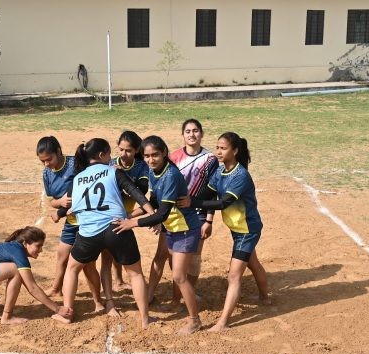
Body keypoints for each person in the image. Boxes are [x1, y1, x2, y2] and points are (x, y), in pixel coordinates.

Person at [52, 138, 156, 329]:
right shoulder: (113, 171)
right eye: (109, 153)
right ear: (102, 155)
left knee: (73, 268)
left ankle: (67, 312)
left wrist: (57, 214)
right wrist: (152, 213)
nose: (111, 157)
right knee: (135, 274)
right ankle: (145, 319)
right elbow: (135, 192)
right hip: (116, 227)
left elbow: (67, 205)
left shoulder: (77, 178)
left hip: (88, 232)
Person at [178, 132, 270, 332]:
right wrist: (186, 201)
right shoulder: (220, 172)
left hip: (247, 230)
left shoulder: (241, 176)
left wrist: (192, 202)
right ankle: (265, 298)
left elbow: (222, 202)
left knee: (234, 276)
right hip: (237, 228)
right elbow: (206, 193)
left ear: (235, 151)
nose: (218, 152)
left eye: (223, 148)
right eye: (217, 147)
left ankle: (223, 323)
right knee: (252, 263)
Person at [114, 135, 203, 336]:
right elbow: (153, 202)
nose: (151, 159)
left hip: (185, 229)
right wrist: (130, 215)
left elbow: (161, 213)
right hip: (172, 227)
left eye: (155, 155)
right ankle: (180, 302)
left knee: (179, 276)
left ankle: (194, 320)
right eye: (146, 156)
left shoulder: (170, 175)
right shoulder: (155, 172)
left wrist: (132, 223)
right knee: (174, 269)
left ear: (164, 153)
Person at [37, 136, 104, 312]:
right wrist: (60, 203)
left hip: (88, 221)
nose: (46, 164)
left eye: (49, 159)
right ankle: (56, 288)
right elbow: (52, 201)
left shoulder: (77, 163)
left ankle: (98, 301)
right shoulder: (47, 173)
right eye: (42, 161)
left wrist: (62, 209)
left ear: (59, 151)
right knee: (62, 255)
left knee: (88, 265)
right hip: (71, 221)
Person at [164, 118, 219, 307]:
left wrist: (209, 220)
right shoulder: (174, 157)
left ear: (201, 134)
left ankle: (190, 292)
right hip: (175, 214)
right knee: (175, 256)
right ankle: (176, 296)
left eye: (196, 131)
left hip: (199, 213)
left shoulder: (210, 159)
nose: (192, 134)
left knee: (194, 257)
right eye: (188, 131)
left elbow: (214, 191)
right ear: (183, 135)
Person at [103, 130, 149, 293]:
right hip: (110, 213)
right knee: (109, 252)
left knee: (122, 249)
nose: (123, 154)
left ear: (136, 150)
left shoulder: (142, 166)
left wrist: (123, 176)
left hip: (129, 213)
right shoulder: (111, 163)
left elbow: (142, 190)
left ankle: (123, 280)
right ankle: (118, 281)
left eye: (128, 150)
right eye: (121, 149)